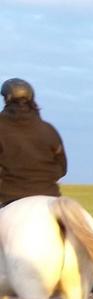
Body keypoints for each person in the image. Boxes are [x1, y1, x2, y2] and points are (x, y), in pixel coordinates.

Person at [0, 78, 68, 207]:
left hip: (8, 196)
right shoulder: (49, 130)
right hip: (50, 196)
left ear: (6, 98)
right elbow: (62, 168)